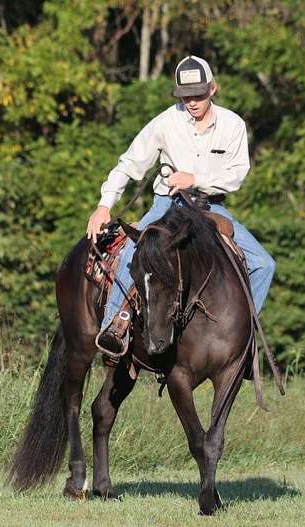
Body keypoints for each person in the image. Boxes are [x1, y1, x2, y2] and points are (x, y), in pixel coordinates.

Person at [87, 55, 276, 356]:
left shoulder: (233, 125)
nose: (192, 101)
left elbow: (237, 175)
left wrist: (195, 178)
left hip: (210, 207)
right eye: (185, 96)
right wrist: (103, 205)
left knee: (264, 264)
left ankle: (245, 338)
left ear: (213, 89)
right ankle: (116, 324)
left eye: (198, 94)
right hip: (167, 204)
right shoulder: (165, 122)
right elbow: (129, 163)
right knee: (134, 251)